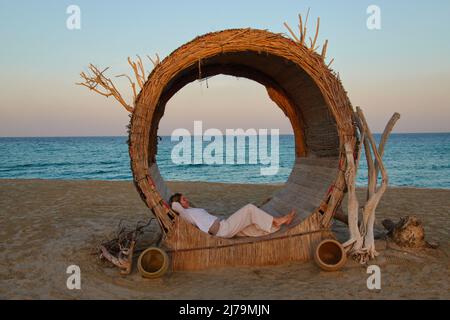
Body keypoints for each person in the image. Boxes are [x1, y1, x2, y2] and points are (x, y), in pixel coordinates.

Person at [169, 193, 296, 238]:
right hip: (223, 230)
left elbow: (182, 206)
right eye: (184, 199)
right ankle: (278, 220)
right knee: (249, 209)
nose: (187, 200)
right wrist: (175, 202)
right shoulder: (185, 214)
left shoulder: (190, 210)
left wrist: (184, 203)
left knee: (252, 226)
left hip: (224, 225)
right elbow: (174, 206)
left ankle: (276, 225)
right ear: (179, 203)